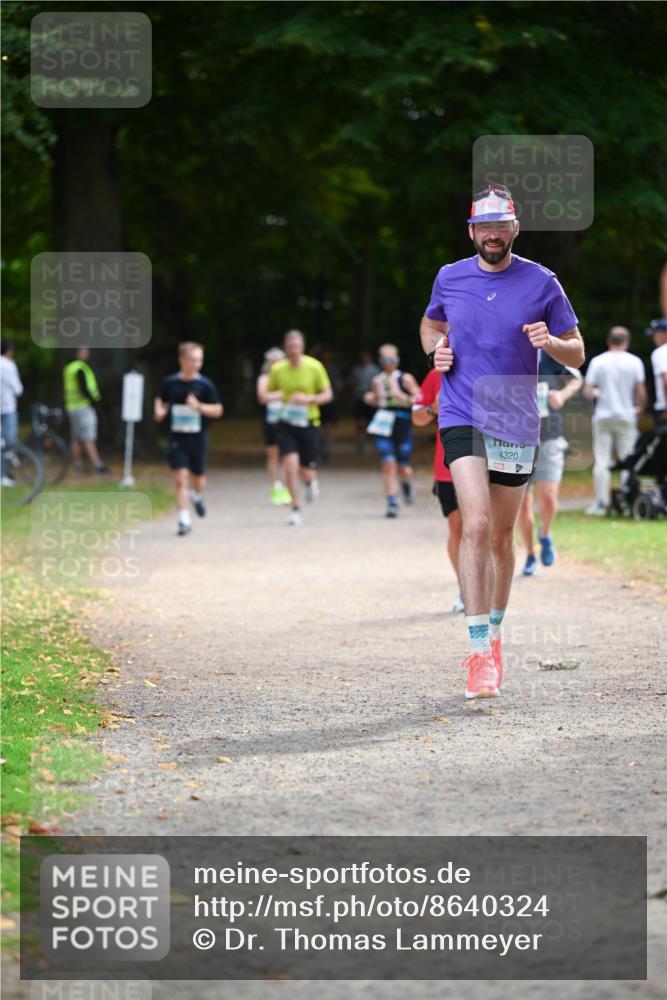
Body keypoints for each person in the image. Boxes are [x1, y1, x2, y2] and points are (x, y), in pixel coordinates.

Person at [420, 183, 584, 700]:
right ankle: (475, 654)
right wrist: (435, 354)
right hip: (463, 409)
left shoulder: (542, 281)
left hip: (514, 415)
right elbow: (430, 325)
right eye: (483, 227)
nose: (492, 235)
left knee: (501, 539)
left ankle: (494, 637)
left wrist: (550, 342)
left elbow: (578, 351)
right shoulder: (450, 276)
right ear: (472, 231)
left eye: (501, 226)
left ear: (515, 228)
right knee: (477, 522)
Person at [519, 353, 583, 574]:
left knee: (548, 496)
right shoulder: (506, 352)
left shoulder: (549, 354)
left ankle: (544, 533)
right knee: (523, 503)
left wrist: (562, 395)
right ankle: (529, 555)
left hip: (550, 435)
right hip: (516, 439)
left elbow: (577, 379)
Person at [154, 341, 223, 536]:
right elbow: (160, 400)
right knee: (180, 479)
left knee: (198, 478)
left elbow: (218, 410)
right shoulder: (170, 383)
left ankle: (197, 496)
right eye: (192, 360)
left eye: (199, 360)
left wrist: (199, 407)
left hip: (198, 438)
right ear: (181, 360)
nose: (196, 364)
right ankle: (184, 520)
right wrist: (159, 411)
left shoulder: (205, 385)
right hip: (177, 437)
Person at [267, 329, 332, 526]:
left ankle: (310, 481)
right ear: (285, 348)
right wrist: (279, 397)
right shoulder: (278, 369)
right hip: (286, 424)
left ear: (302, 347)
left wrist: (308, 399)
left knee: (305, 469)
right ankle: (294, 508)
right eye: (290, 347)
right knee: (289, 466)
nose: (294, 350)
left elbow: (327, 395)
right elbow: (270, 393)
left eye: (297, 346)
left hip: (309, 423)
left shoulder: (315, 367)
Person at [412, 368, 464, 612]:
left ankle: (486, 585)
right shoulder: (436, 375)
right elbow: (417, 417)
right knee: (457, 526)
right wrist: (433, 407)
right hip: (447, 465)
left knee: (482, 528)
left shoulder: (490, 367)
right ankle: (466, 587)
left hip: (488, 460)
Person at [583, 326, 646, 515]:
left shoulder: (598, 361)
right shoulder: (634, 362)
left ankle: (601, 503)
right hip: (626, 415)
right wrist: (640, 410)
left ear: (609, 341)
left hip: (603, 415)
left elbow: (587, 391)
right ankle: (627, 501)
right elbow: (640, 391)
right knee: (628, 459)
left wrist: (597, 393)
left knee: (602, 460)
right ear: (626, 342)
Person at [364, 344, 420, 518]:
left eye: (392, 359)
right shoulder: (377, 380)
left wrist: (403, 397)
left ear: (398, 360)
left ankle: (407, 484)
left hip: (402, 424)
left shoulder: (406, 378)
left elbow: (420, 399)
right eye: (385, 360)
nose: (389, 363)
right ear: (380, 361)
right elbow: (373, 398)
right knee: (388, 463)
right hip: (383, 425)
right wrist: (371, 398)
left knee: (403, 467)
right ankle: (392, 502)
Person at [62, 346, 108, 474]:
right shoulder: (80, 368)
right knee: (88, 436)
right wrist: (94, 401)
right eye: (84, 351)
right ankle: (97, 464)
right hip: (84, 406)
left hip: (72, 406)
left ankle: (78, 464)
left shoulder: (68, 368)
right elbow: (83, 387)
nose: (87, 353)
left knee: (76, 437)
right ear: (78, 352)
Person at [256, 347, 291, 506]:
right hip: (271, 421)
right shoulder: (264, 378)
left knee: (287, 455)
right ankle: (276, 484)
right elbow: (262, 397)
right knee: (273, 454)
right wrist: (282, 394)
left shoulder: (288, 376)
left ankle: (286, 486)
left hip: (286, 419)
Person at [1, 338, 24, 487]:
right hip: (8, 407)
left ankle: (4, 474)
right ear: (8, 350)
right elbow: (18, 390)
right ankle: (5, 472)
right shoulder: (9, 365)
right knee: (9, 442)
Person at [350, 350, 380, 453]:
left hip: (371, 399)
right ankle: (361, 440)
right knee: (360, 421)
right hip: (359, 398)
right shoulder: (356, 370)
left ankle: (368, 441)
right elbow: (352, 383)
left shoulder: (375, 369)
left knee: (371, 421)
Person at [645, 317, 667, 423]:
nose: (653, 338)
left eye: (655, 334)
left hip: (664, 407)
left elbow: (666, 380)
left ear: (663, 334)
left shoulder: (660, 353)